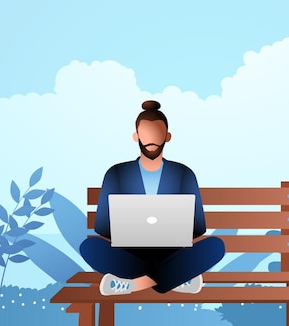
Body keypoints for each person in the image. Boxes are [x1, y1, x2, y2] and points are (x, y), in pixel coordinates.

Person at [79, 100, 225, 296]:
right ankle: (176, 279)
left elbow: (198, 227)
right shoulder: (116, 174)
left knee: (215, 246)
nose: (151, 139)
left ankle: (135, 284)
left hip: (172, 252)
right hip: (130, 254)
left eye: (156, 133)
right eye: (146, 133)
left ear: (167, 136)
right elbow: (102, 227)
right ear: (136, 136)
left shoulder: (184, 174)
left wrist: (171, 231)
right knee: (90, 247)